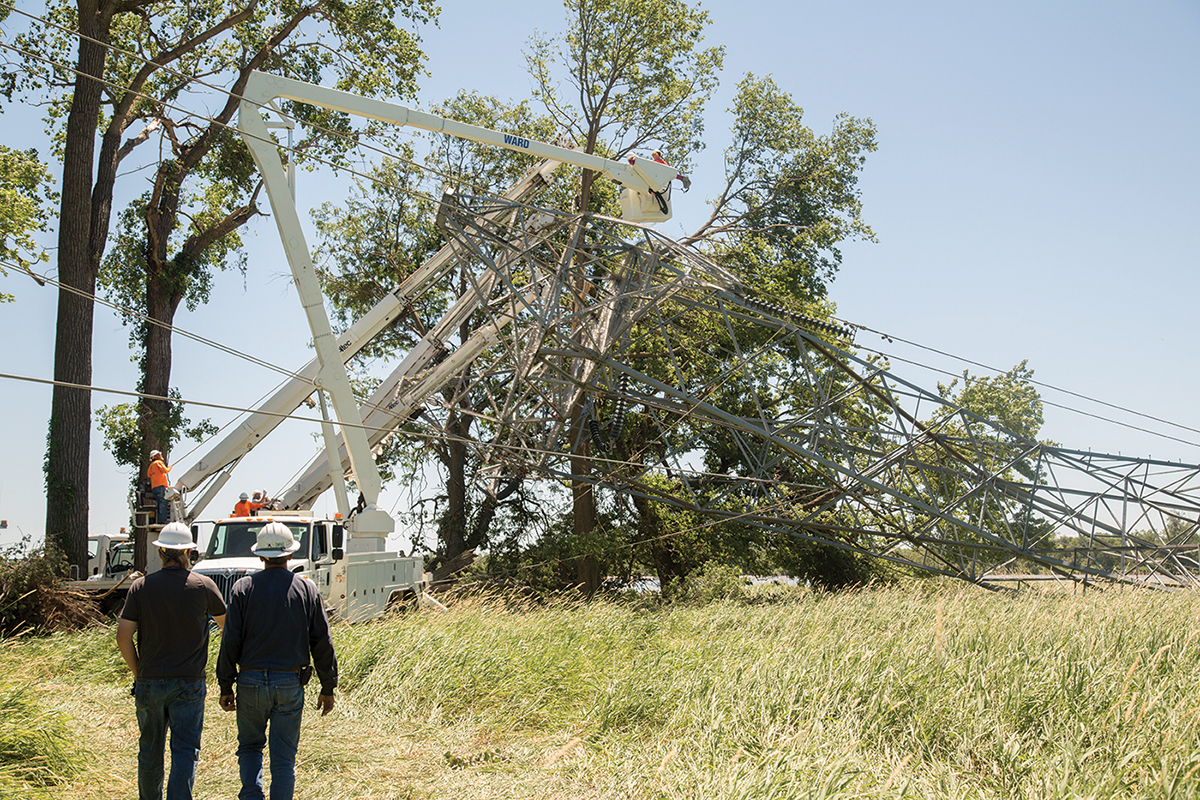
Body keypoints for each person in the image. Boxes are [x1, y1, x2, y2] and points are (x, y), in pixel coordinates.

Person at [216, 522, 337, 800]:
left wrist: (225, 685)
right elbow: (322, 642)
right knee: (283, 759)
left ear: (260, 555)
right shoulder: (307, 590)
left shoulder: (242, 588)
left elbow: (230, 640)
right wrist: (328, 686)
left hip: (250, 681)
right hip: (289, 682)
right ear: (290, 554)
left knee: (250, 747)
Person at [117, 523, 227, 800]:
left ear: (161, 552)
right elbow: (229, 628)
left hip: (149, 681)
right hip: (189, 682)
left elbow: (123, 636)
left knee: (150, 751)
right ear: (189, 552)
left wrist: (139, 672)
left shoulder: (140, 587)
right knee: (185, 751)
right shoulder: (204, 586)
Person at [147, 450, 172, 523]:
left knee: (160, 503)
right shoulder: (158, 462)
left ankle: (159, 519)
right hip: (160, 486)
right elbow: (165, 470)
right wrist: (170, 467)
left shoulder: (151, 465)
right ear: (155, 457)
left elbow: (149, 475)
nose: (160, 455)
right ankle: (162, 520)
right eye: (158, 454)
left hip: (154, 487)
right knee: (163, 502)